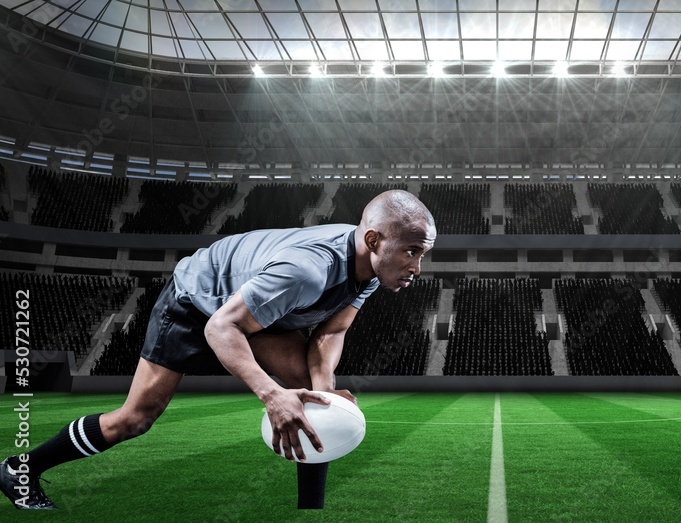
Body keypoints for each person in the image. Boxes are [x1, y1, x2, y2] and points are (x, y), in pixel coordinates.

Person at [1, 189, 436, 510]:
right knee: (134, 420)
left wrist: (323, 390)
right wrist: (271, 395)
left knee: (310, 393)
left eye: (423, 254)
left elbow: (330, 333)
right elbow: (220, 327)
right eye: (412, 252)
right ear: (375, 240)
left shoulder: (374, 269)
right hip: (197, 303)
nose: (417, 267)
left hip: (259, 312)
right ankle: (20, 469)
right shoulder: (306, 271)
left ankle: (310, 510)